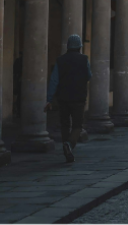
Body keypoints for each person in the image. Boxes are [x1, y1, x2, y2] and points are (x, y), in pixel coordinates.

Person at [45, 34, 91, 163]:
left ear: (68, 47)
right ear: (79, 47)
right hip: (79, 97)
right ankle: (69, 145)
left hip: (63, 98)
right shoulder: (84, 59)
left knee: (65, 124)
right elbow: (89, 75)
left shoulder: (60, 60)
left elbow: (54, 81)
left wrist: (49, 99)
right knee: (77, 125)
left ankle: (66, 148)